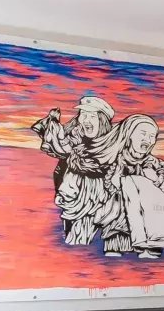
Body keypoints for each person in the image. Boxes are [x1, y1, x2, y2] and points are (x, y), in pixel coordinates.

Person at [31, 95, 122, 247]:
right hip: (71, 200)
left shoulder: (111, 146)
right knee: (73, 238)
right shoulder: (74, 139)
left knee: (82, 239)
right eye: (83, 115)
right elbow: (61, 150)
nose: (86, 120)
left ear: (102, 120)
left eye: (92, 116)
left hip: (97, 204)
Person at [103, 115, 164, 258]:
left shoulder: (159, 166)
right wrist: (115, 183)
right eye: (143, 134)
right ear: (129, 135)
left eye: (152, 136)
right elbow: (102, 197)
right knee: (112, 262)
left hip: (151, 233)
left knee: (150, 264)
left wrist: (156, 178)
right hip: (118, 233)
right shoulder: (113, 164)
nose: (148, 140)